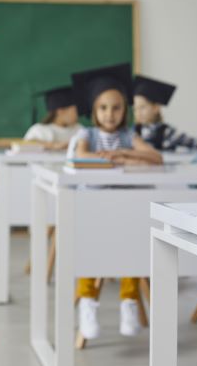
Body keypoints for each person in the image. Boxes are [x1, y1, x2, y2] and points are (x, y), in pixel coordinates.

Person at [67, 63, 162, 339]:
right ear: (94, 110)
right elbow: (80, 158)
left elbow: (155, 157)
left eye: (117, 107)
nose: (110, 114)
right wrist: (109, 158)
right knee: (90, 254)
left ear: (125, 110)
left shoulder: (128, 136)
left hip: (124, 208)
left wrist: (124, 154)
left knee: (130, 249)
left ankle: (129, 301)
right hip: (93, 210)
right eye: (104, 107)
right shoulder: (87, 134)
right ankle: (88, 302)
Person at [132, 75, 196, 151]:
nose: (138, 112)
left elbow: (193, 143)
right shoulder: (132, 132)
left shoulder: (168, 132)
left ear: (156, 108)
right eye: (135, 109)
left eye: (142, 107)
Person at [23, 86, 82, 150]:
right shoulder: (39, 130)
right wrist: (53, 145)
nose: (78, 114)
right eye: (75, 111)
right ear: (61, 111)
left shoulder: (79, 129)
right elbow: (24, 145)